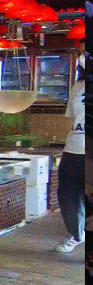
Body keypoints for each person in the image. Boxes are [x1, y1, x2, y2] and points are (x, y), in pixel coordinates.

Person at [55, 51, 84, 253]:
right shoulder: (78, 86)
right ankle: (76, 233)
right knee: (67, 194)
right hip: (74, 148)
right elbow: (73, 118)